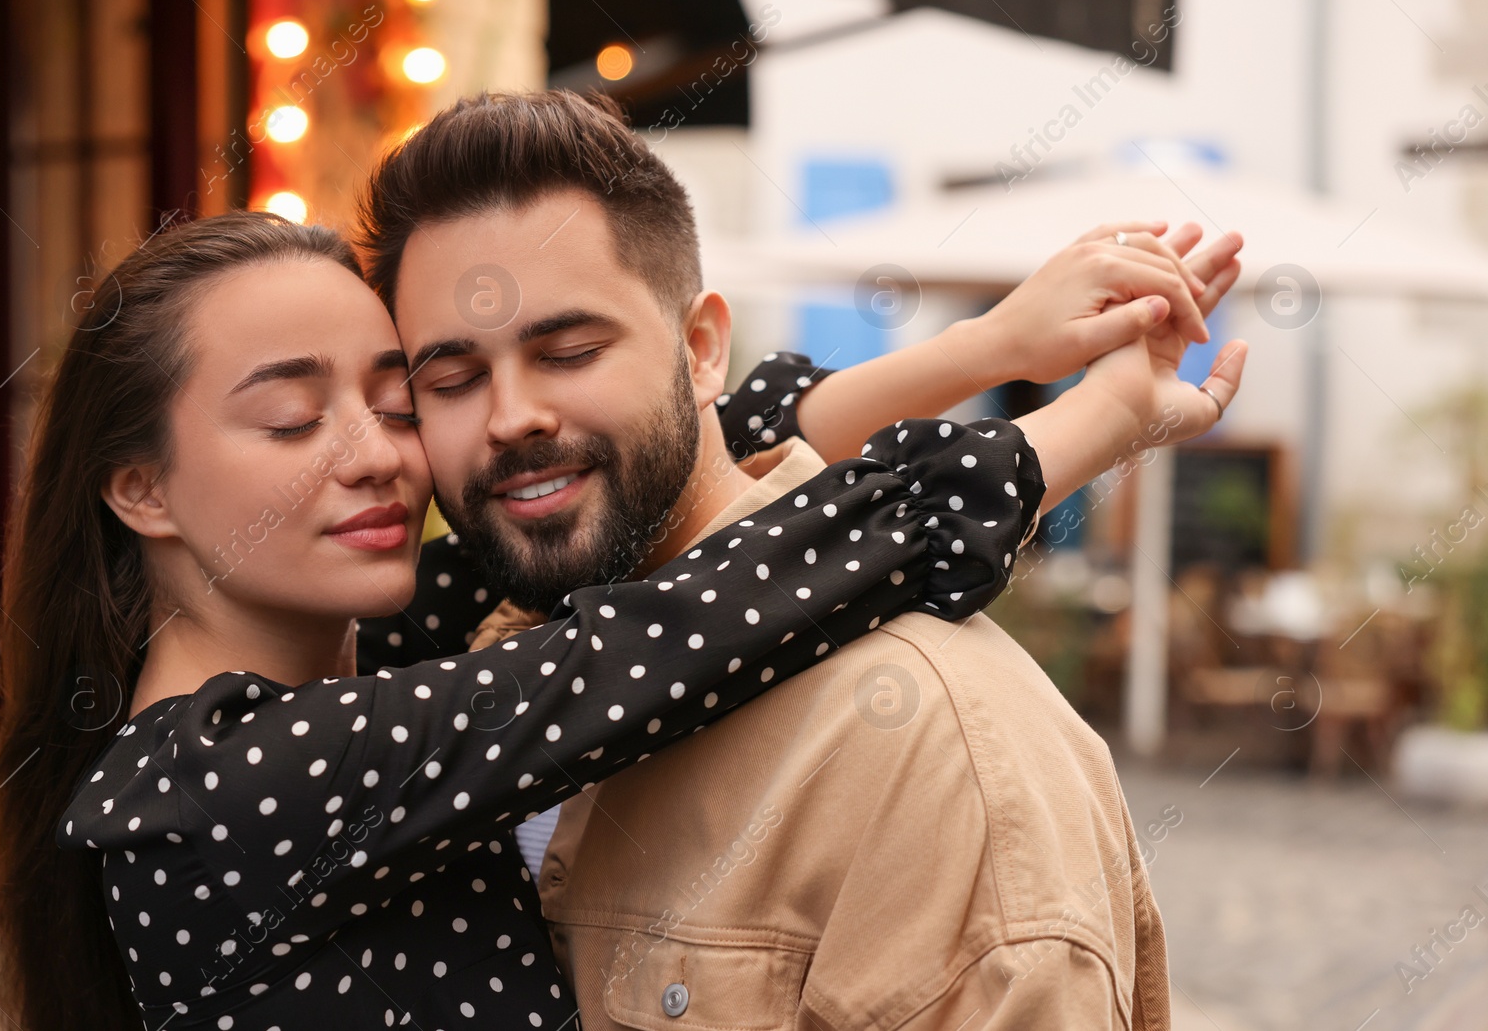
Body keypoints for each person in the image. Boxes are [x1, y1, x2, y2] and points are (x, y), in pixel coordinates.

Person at [0, 212, 1082, 1031]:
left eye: (398, 403)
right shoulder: (226, 783)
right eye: (291, 418)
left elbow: (654, 471)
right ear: (142, 490)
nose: (376, 454)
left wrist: (989, 349)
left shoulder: (369, 659)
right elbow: (674, 633)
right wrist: (1086, 426)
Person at [359, 90, 1248, 1029]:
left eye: (571, 351)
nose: (510, 417)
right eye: (451, 380)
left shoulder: (936, 751)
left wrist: (1068, 392)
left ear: (703, 350)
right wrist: (998, 350)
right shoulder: (449, 659)